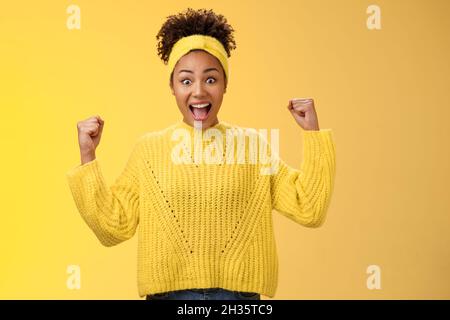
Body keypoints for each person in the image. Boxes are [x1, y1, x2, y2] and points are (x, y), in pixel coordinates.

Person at [66, 8, 336, 300]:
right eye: (185, 80)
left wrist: (312, 133)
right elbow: (113, 227)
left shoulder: (253, 148)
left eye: (210, 79)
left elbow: (308, 208)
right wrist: (87, 155)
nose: (198, 92)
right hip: (168, 296)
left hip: (238, 300)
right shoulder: (149, 150)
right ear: (172, 87)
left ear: (225, 85)